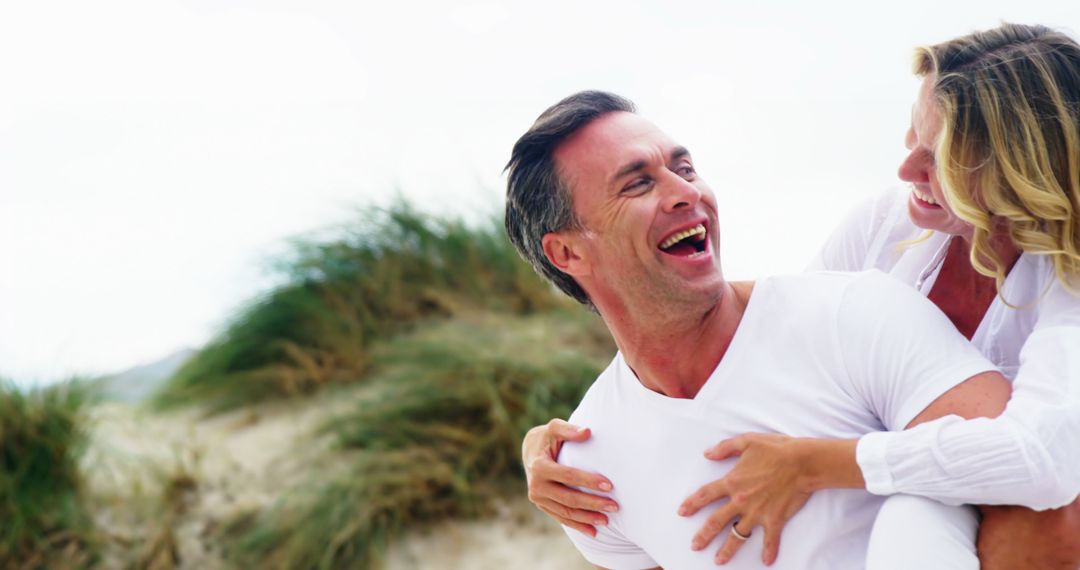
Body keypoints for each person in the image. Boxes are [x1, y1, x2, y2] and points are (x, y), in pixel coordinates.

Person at [520, 23, 1080, 569]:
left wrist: (816, 464)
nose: (905, 168)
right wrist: (570, 437)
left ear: (1024, 170)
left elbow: (1043, 461)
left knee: (995, 512)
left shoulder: (1068, 284)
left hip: (1043, 503)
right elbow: (787, 343)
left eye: (940, 156)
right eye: (913, 138)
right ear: (565, 252)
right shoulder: (886, 227)